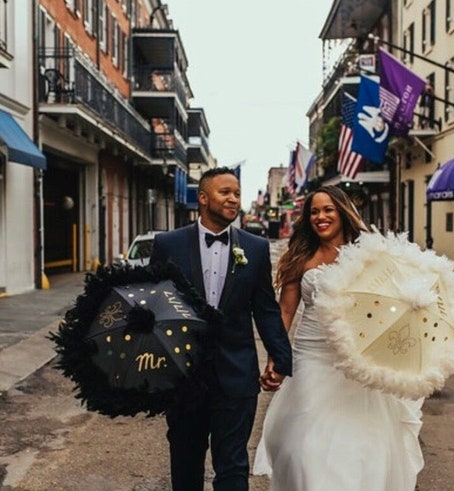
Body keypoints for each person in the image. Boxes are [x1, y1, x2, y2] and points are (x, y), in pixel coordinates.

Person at [253, 186, 424, 490]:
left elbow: (391, 305)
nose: (321, 217)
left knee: (357, 446)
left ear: (342, 212)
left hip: (355, 361)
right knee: (301, 447)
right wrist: (276, 359)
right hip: (310, 359)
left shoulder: (370, 255)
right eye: (314, 211)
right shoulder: (300, 257)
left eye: (328, 210)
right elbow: (285, 313)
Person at [149, 167, 293, 491]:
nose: (233, 199)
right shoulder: (168, 244)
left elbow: (266, 310)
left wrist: (280, 359)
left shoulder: (254, 249)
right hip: (184, 377)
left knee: (232, 468)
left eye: (237, 193)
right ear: (203, 198)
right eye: (224, 192)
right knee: (185, 464)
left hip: (236, 377)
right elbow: (152, 305)